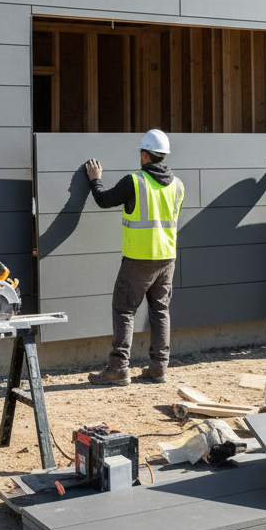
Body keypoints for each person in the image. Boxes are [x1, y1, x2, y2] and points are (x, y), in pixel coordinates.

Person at [84, 129, 185, 386]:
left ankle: (118, 368)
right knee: (160, 311)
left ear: (144, 155)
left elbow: (104, 200)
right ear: (163, 156)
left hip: (139, 259)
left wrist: (95, 180)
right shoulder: (178, 185)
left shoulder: (135, 181)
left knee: (124, 310)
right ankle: (159, 368)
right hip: (167, 259)